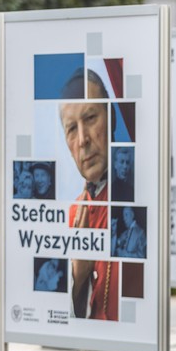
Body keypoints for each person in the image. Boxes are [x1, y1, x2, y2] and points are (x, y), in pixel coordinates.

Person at [60, 69, 118, 321]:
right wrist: (78, 274)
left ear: (111, 118)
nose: (82, 139)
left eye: (91, 118)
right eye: (72, 129)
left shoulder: (139, 196)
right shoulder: (73, 211)